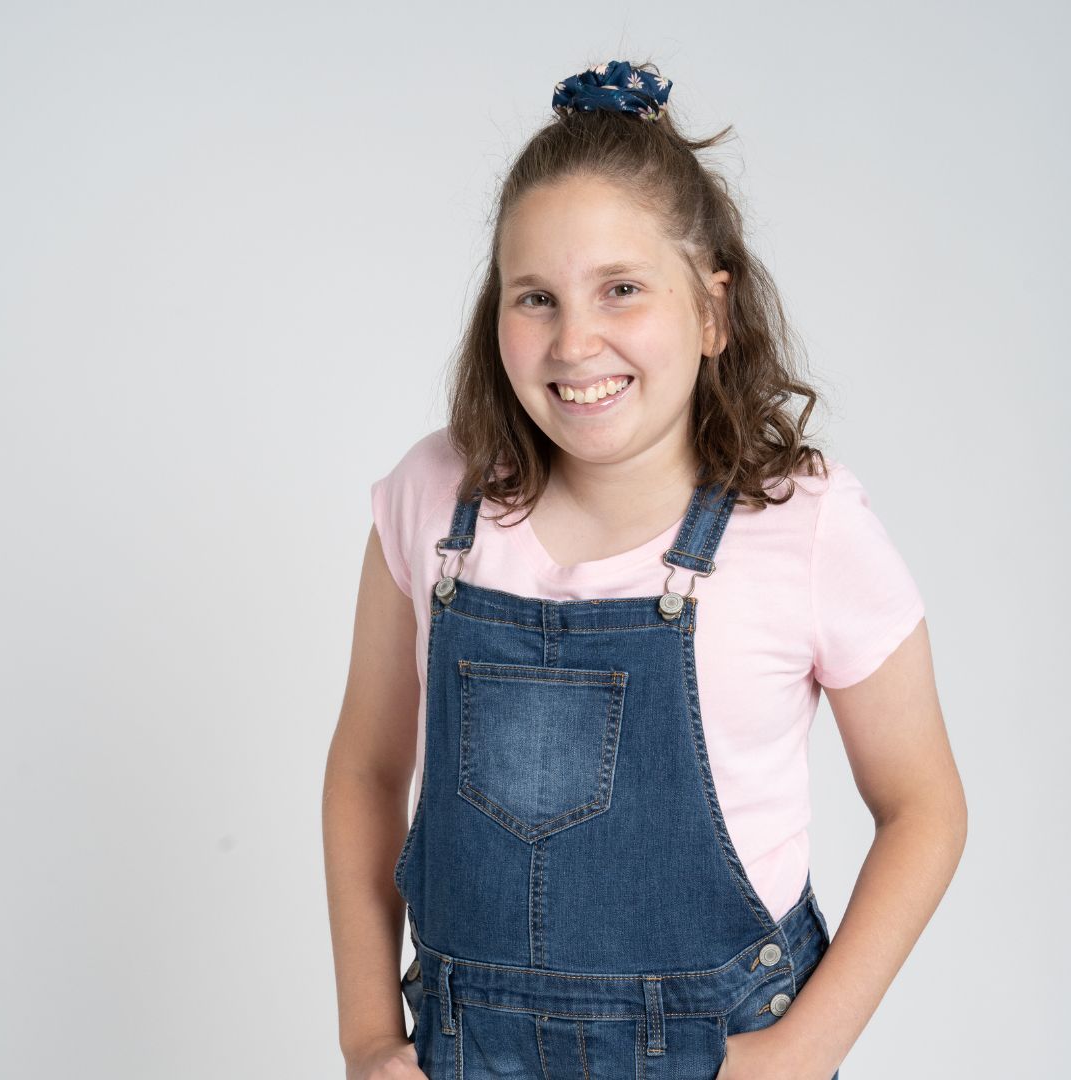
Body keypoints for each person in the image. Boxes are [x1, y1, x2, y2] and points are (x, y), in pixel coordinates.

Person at [323, 59, 967, 1080]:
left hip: (718, 1053)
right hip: (465, 1051)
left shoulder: (805, 528)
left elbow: (924, 806)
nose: (575, 341)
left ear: (712, 311)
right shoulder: (432, 501)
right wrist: (368, 1038)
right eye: (536, 297)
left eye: (621, 290)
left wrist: (802, 1052)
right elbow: (365, 768)